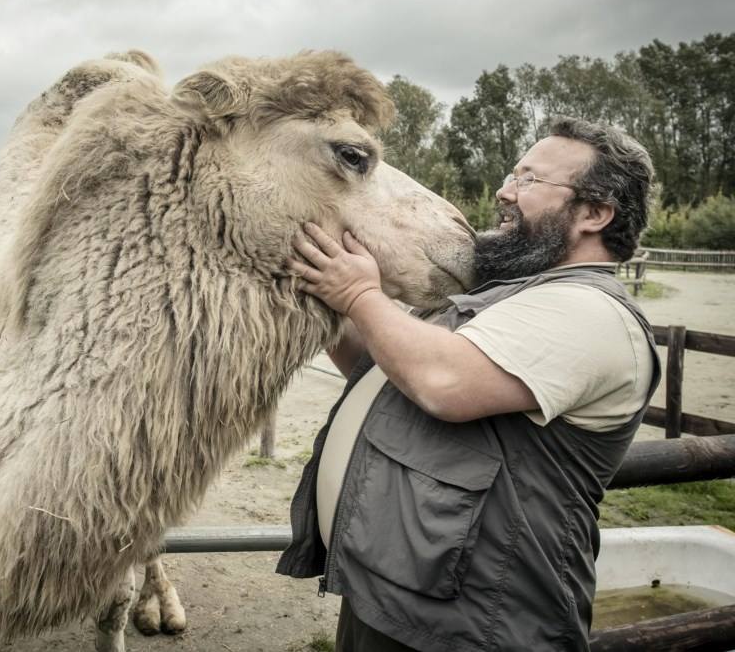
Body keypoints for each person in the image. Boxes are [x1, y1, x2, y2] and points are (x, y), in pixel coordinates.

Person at [277, 117, 661, 651]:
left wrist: (360, 297)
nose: (504, 191)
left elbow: (441, 383)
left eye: (528, 180)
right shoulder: (507, 296)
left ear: (595, 214)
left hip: (477, 624)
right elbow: (387, 369)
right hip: (401, 600)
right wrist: (331, 292)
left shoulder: (590, 310)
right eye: (513, 173)